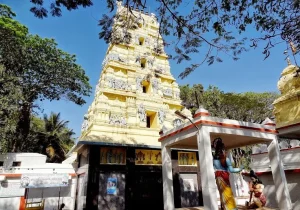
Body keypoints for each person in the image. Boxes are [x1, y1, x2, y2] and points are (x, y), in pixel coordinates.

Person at [212, 138, 244, 210]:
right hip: (224, 177)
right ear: (223, 150)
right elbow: (232, 170)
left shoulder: (214, 159)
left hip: (218, 177)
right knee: (228, 195)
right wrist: (240, 168)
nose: (225, 151)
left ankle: (224, 207)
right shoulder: (226, 159)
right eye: (224, 149)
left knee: (222, 195)